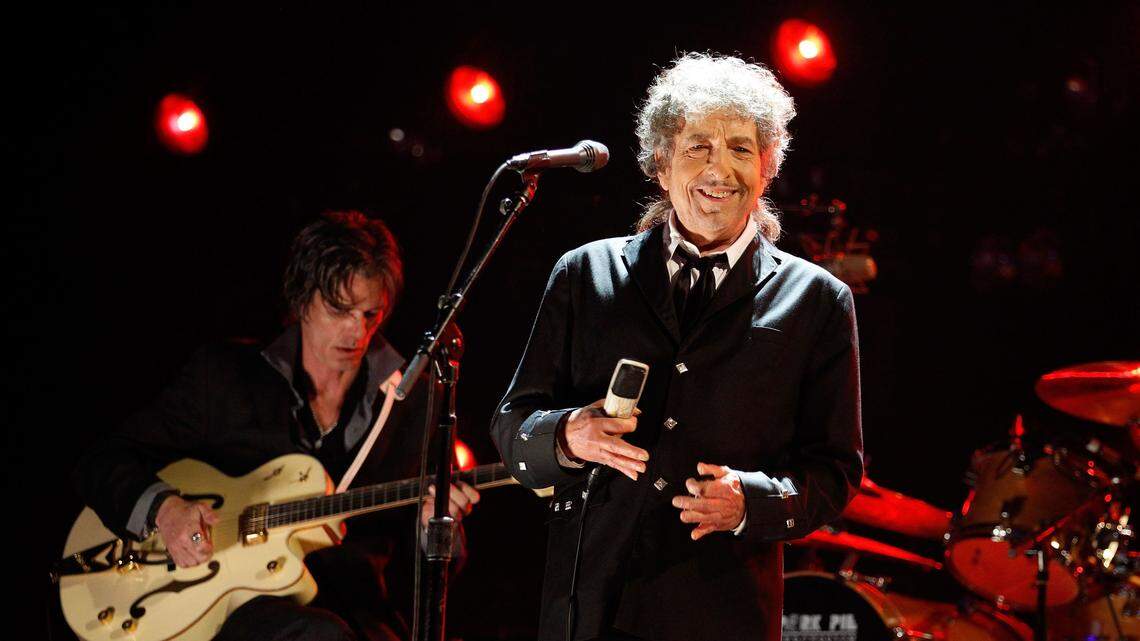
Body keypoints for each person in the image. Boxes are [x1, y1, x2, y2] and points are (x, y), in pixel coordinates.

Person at [490, 53, 863, 641]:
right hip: (588, 605)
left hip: (720, 612)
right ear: (661, 165)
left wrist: (752, 501)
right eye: (698, 147)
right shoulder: (584, 273)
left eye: (741, 149)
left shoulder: (817, 300)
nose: (720, 169)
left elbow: (836, 471)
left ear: (767, 168)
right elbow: (513, 423)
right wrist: (566, 435)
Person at [73, 211, 480, 641]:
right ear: (301, 299)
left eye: (370, 313)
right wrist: (165, 509)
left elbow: (418, 583)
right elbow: (101, 462)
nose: (356, 332)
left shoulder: (413, 403)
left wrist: (437, 533)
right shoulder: (225, 378)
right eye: (338, 309)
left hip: (357, 616)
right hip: (237, 614)